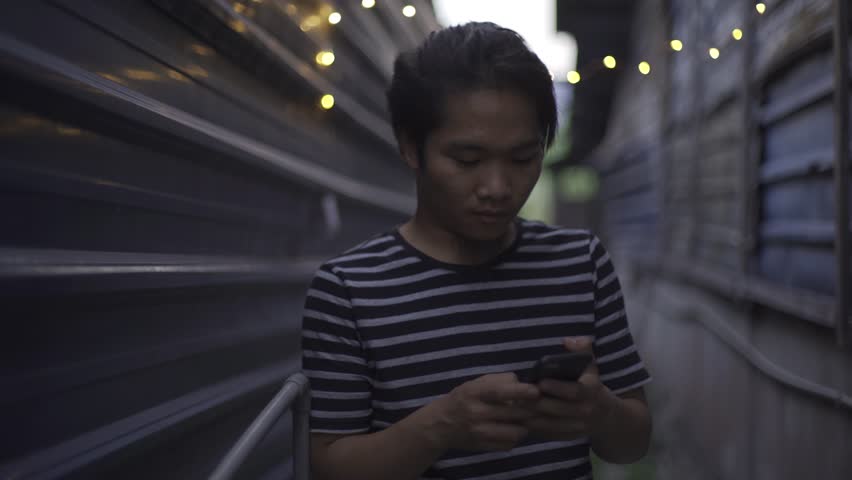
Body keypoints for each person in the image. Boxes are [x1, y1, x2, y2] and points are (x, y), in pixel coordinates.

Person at [301, 22, 652, 480]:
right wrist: (442, 426)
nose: (497, 187)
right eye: (468, 160)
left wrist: (599, 411)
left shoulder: (580, 263)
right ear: (410, 147)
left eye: (523, 158)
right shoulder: (348, 291)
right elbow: (329, 468)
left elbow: (633, 443)